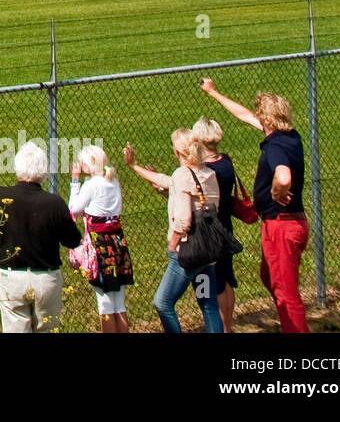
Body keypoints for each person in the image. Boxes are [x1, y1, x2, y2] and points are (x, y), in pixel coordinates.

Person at [201, 79, 309, 333]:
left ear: (268, 119)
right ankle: (295, 325)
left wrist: (275, 190)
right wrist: (213, 92)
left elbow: (284, 177)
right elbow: (244, 115)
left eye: (261, 115)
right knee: (270, 277)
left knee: (286, 293)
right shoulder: (289, 136)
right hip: (287, 225)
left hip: (282, 228)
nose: (257, 118)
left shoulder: (275, 146)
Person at [0, 140, 82, 332]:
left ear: (17, 169)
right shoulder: (54, 203)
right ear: (43, 172)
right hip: (46, 280)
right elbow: (73, 240)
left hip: (12, 278)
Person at [124, 129, 224, 333]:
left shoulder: (181, 176)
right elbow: (164, 180)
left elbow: (184, 219)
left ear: (177, 153)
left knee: (163, 302)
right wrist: (134, 166)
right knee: (209, 305)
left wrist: (172, 246)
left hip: (186, 253)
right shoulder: (208, 174)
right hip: (207, 253)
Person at [68, 144, 134, 332]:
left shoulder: (92, 185)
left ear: (90, 164)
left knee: (104, 303)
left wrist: (75, 181)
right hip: (118, 242)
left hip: (100, 246)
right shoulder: (113, 182)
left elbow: (73, 210)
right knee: (119, 303)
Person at [192, 117, 240, 331]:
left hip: (211, 231)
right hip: (226, 226)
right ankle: (227, 327)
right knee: (226, 279)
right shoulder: (226, 161)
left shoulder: (205, 171)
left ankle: (220, 327)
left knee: (216, 284)